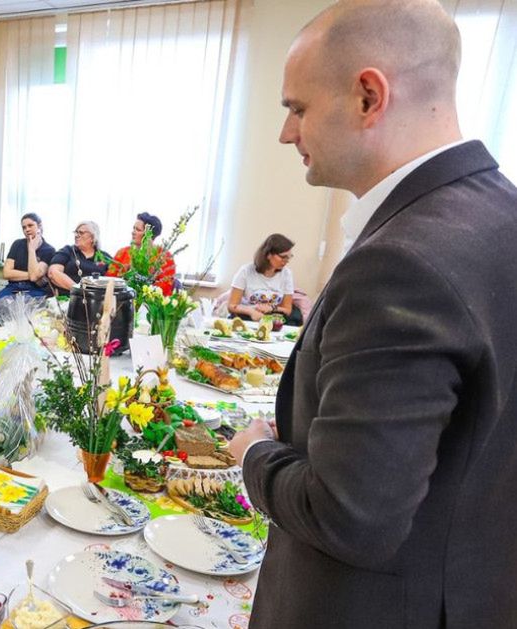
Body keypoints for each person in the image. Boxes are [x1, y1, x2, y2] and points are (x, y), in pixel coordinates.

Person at [227, 2, 517, 626]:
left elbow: (349, 517)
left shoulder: (402, 261)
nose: (286, 133)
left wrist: (255, 453)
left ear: (368, 96)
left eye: (296, 108)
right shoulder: (501, 215)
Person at [226, 234, 300, 324]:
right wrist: (251, 312)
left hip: (274, 320)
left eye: (289, 257)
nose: (287, 260)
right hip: (247, 318)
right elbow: (231, 306)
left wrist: (272, 308)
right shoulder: (245, 271)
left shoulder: (287, 274)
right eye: (283, 257)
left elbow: (287, 309)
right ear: (268, 255)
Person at [0, 212, 54, 299]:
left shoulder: (49, 250)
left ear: (39, 226)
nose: (27, 229)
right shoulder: (17, 244)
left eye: (30, 225)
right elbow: (6, 273)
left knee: (30, 308)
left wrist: (31, 249)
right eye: (24, 227)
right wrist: (31, 275)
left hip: (35, 289)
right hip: (13, 287)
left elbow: (34, 277)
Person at [47, 220, 109, 296]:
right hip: (66, 299)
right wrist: (80, 291)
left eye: (81, 233)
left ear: (93, 237)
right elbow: (53, 273)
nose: (77, 235)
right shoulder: (67, 251)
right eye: (76, 232)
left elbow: (114, 280)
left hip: (95, 301)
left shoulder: (105, 257)